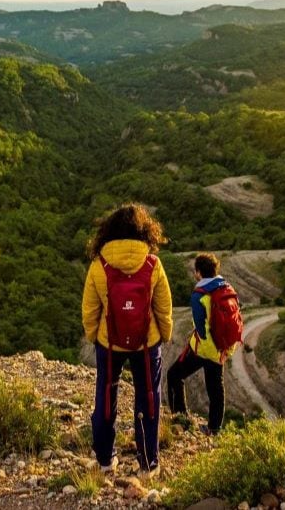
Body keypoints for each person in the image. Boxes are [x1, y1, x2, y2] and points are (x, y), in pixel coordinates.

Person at [81, 203, 172, 477]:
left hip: (110, 343)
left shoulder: (99, 266)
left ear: (107, 232)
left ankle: (105, 461)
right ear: (145, 231)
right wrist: (164, 334)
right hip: (146, 344)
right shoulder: (153, 264)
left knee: (106, 396)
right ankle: (148, 464)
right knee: (148, 398)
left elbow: (90, 309)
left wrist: (94, 336)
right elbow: (163, 307)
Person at [166, 253, 238, 436]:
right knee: (216, 389)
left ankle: (179, 417)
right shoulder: (227, 288)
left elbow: (200, 326)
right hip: (223, 347)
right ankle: (214, 429)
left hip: (204, 349)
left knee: (174, 375)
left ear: (198, 272)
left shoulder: (199, 295)